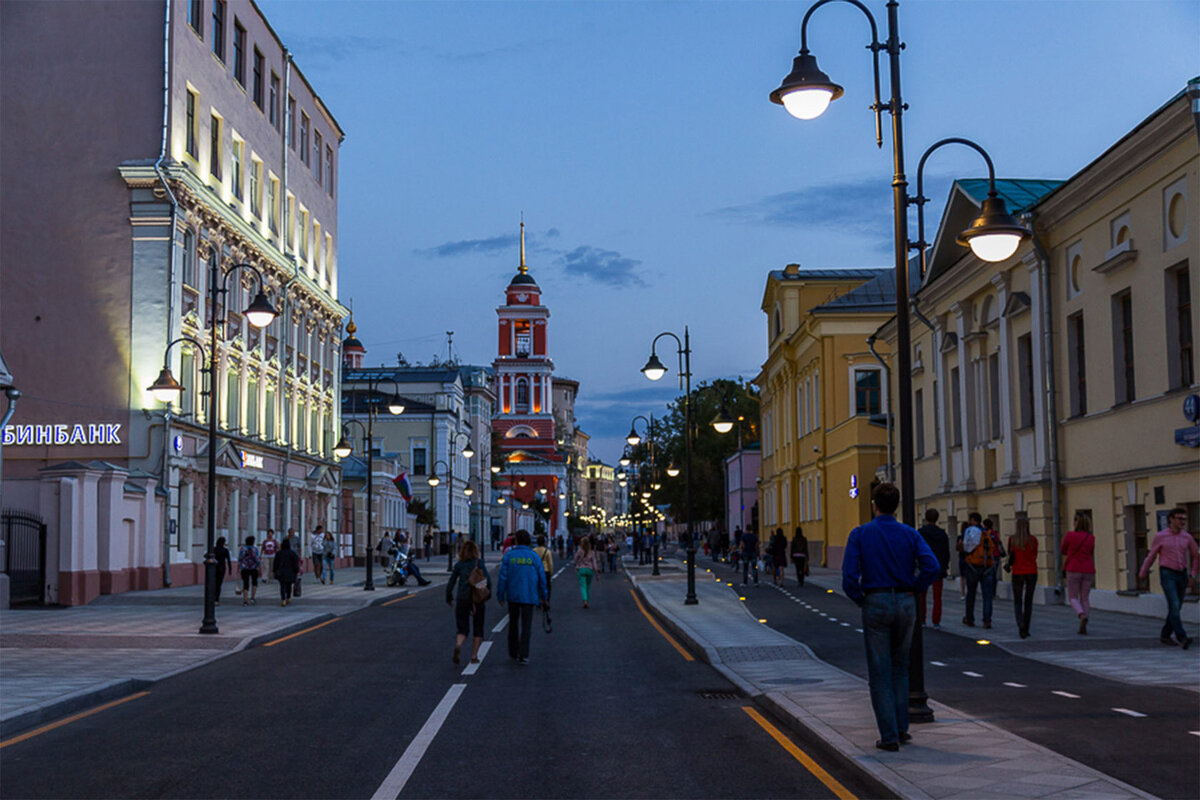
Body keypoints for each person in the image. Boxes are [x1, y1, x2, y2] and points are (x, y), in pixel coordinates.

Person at [842, 483, 939, 752]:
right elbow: (932, 566)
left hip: (876, 599)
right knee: (900, 667)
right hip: (906, 601)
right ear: (895, 505)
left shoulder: (860, 534)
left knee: (879, 671)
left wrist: (862, 599)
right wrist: (915, 588)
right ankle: (900, 728)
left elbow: (849, 578)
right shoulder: (910, 534)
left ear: (874, 504)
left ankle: (888, 736)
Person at [1138, 508, 1198, 649]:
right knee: (1175, 604)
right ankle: (1182, 637)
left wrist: (1193, 574)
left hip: (1182, 573)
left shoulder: (1187, 537)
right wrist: (1143, 572)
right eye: (1179, 518)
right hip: (1167, 573)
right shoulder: (1161, 536)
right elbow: (1151, 555)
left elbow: (1196, 555)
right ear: (1171, 519)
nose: (1182, 522)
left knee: (1176, 607)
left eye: (1184, 519)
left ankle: (1165, 635)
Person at [496, 529, 548, 664]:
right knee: (526, 625)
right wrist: (544, 596)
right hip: (530, 595)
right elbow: (542, 578)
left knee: (513, 623)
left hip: (513, 595)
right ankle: (523, 654)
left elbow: (502, 577)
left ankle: (513, 651)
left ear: (516, 541)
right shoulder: (534, 557)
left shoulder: (509, 556)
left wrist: (500, 595)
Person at [446, 539, 490, 664]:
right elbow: (488, 581)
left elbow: (451, 582)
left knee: (462, 627)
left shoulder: (459, 565)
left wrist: (448, 596)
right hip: (477, 598)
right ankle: (474, 656)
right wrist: (487, 594)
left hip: (462, 598)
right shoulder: (479, 563)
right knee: (478, 627)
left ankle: (459, 644)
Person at [959, 513, 1004, 628]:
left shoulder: (969, 531)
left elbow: (964, 547)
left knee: (971, 594)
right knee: (987, 595)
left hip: (973, 566)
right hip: (987, 566)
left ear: (973, 520)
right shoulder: (987, 533)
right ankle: (987, 620)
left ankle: (970, 619)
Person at [1061, 512, 1096, 635]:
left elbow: (1062, 549)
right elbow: (1091, 551)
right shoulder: (1091, 538)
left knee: (1073, 597)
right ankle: (1085, 621)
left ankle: (1081, 615)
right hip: (1088, 569)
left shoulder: (1070, 535)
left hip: (1073, 568)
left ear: (1076, 522)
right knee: (1085, 597)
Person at [1005, 518, 1038, 638]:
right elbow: (1035, 555)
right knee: (1028, 601)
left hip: (1017, 572)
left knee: (1018, 600)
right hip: (1031, 571)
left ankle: (1020, 622)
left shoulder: (1012, 540)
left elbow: (1010, 554)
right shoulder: (1033, 540)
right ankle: (1026, 627)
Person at [917, 510, 950, 629]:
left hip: (924, 567)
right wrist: (945, 566)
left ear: (926, 518)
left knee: (922, 595)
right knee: (937, 597)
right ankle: (936, 621)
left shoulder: (921, 533)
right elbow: (946, 552)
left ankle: (922, 619)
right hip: (938, 567)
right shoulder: (942, 534)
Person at [273, 537, 301, 606]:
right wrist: (297, 571)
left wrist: (274, 570)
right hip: (290, 572)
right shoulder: (292, 553)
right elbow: (295, 563)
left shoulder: (279, 553)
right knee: (289, 585)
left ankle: (283, 599)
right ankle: (288, 597)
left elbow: (275, 563)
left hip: (281, 572)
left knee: (282, 585)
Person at [574, 535, 599, 609]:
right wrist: (597, 573)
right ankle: (587, 600)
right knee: (588, 586)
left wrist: (576, 566)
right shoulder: (591, 552)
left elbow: (575, 560)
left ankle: (585, 600)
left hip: (581, 569)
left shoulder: (579, 551)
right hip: (589, 570)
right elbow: (594, 563)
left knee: (583, 586)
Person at [238, 535, 261, 605]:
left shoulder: (242, 549)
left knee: (245, 583)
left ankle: (245, 600)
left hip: (245, 568)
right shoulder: (255, 549)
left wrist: (239, 567)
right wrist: (259, 567)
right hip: (254, 568)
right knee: (254, 582)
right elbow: (257, 559)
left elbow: (240, 558)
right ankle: (252, 598)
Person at [533, 534, 555, 601]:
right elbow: (550, 563)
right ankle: (546, 599)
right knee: (547, 586)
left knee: (537, 586)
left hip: (536, 570)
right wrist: (551, 571)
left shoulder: (534, 551)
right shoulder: (547, 551)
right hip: (546, 570)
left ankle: (538, 599)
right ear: (544, 542)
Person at [213, 536, 232, 605]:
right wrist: (230, 569)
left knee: (213, 583)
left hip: (214, 567)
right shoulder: (225, 550)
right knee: (219, 584)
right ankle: (217, 599)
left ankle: (212, 597)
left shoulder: (214, 549)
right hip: (222, 568)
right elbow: (229, 560)